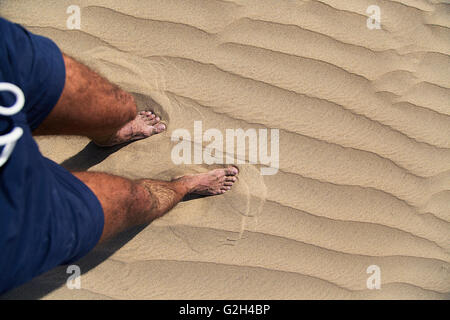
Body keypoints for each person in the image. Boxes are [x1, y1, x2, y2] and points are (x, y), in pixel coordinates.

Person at [0, 17, 238, 294]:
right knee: (132, 200)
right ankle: (185, 185)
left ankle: (111, 133)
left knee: (119, 107)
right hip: (13, 215)